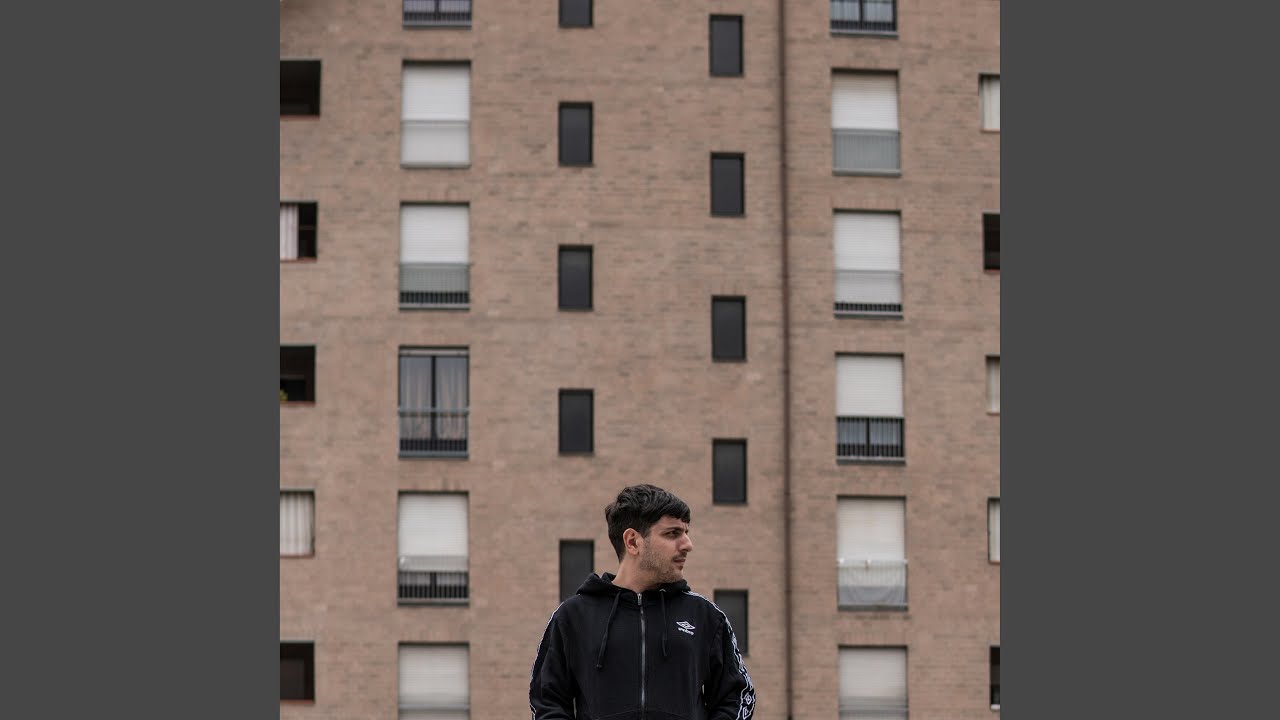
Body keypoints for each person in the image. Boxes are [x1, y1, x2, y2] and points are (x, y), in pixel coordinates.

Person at [530, 484, 755, 720]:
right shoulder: (573, 617)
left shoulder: (705, 616)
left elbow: (738, 696)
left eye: (686, 532)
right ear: (633, 541)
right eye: (672, 533)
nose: (688, 544)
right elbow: (547, 702)